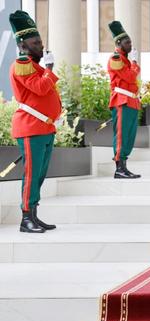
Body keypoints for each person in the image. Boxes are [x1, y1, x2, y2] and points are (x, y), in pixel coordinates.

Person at [9, 10, 60, 233]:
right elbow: (39, 88)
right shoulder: (22, 64)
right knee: (31, 174)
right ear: (22, 46)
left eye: (40, 42)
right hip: (31, 127)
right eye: (35, 43)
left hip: (44, 127)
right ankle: (25, 218)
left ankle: (34, 214)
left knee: (39, 174)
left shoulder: (35, 65)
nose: (40, 46)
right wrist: (49, 70)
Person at [107, 20, 141, 179]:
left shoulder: (124, 60)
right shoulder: (115, 59)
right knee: (121, 135)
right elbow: (129, 77)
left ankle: (124, 166)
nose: (131, 45)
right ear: (119, 42)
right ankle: (119, 168)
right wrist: (134, 62)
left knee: (129, 135)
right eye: (128, 43)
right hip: (122, 101)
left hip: (131, 101)